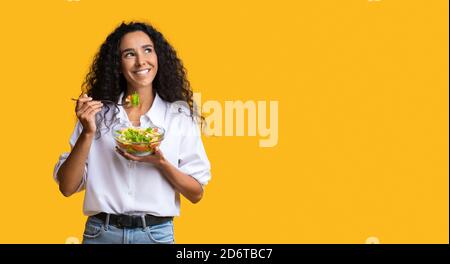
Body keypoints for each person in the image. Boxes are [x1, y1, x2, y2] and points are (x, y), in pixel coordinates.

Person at [53, 21, 211, 244]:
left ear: (158, 57)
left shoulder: (179, 116)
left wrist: (160, 163)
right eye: (129, 54)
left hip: (156, 236)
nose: (141, 61)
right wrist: (87, 133)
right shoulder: (97, 115)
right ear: (118, 64)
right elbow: (67, 187)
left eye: (147, 50)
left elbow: (196, 194)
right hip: (101, 234)